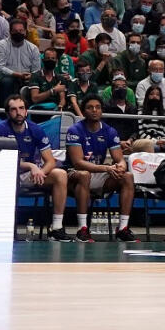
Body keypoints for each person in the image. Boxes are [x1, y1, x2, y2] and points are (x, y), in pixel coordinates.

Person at [0, 95, 70, 240]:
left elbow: (50, 161)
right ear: (8, 113)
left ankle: (57, 227)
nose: (18, 112)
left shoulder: (35, 129)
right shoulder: (1, 129)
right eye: (14, 109)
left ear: (27, 111)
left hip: (29, 174)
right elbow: (3, 161)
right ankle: (9, 226)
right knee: (9, 179)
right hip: (8, 174)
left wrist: (40, 172)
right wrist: (31, 165)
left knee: (60, 174)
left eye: (21, 108)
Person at [64, 94, 138, 242]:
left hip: (99, 174)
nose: (94, 110)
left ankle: (123, 229)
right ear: (84, 111)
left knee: (128, 176)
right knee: (84, 174)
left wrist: (120, 168)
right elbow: (78, 162)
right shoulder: (75, 130)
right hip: (74, 175)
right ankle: (82, 229)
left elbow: (120, 159)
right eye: (90, 107)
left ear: (101, 111)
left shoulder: (110, 131)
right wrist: (106, 168)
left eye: (97, 107)